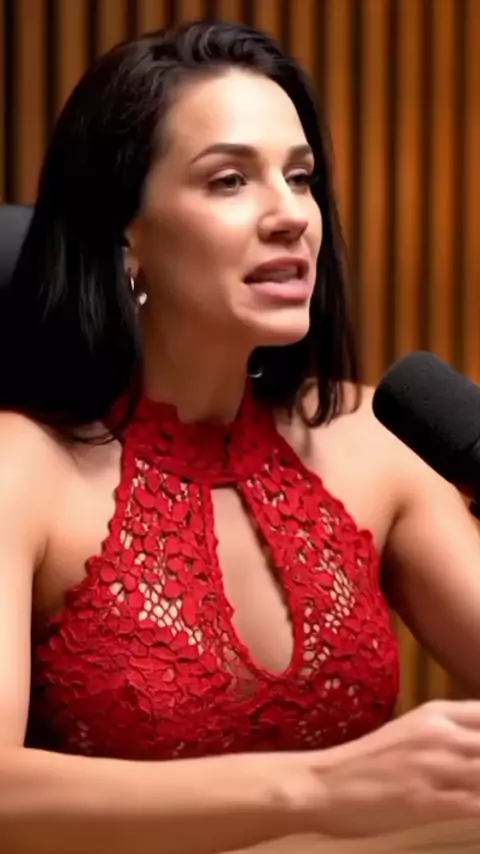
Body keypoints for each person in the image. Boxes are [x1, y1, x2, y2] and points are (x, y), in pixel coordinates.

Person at [2, 18, 480, 854]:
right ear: (125, 232)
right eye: (229, 181)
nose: (291, 215)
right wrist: (319, 789)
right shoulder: (24, 471)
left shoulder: (378, 441)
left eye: (301, 178)